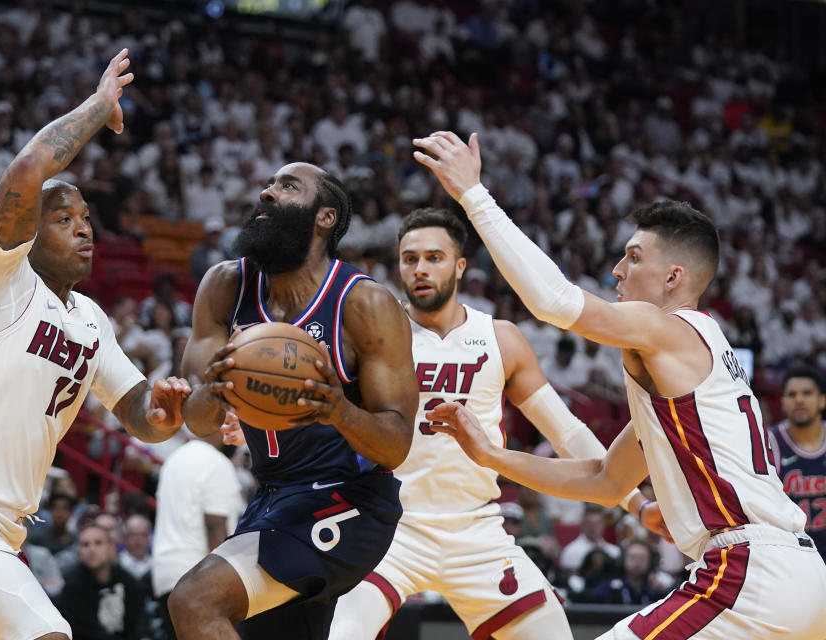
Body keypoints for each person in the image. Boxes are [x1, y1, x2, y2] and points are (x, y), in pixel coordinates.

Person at [412, 131, 826, 638]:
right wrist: (493, 457)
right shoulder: (696, 372)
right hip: (799, 577)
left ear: (673, 277)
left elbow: (554, 302)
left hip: (749, 573)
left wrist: (473, 196)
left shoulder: (667, 328)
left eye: (632, 257)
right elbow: (606, 480)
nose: (616, 269)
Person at [0, 50, 190, 640]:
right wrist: (99, 109)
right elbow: (26, 171)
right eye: (63, 217)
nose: (83, 227)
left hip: (3, 528)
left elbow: (141, 416)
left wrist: (167, 412)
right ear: (27, 229)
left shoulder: (93, 321)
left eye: (86, 218)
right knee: (50, 633)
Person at [329, 207, 662, 640]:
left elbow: (566, 431)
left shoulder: (500, 337)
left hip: (476, 531)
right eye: (410, 259)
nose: (420, 268)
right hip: (391, 524)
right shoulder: (373, 332)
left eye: (434, 257)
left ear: (460, 266)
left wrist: (636, 505)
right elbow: (319, 403)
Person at [170, 161, 419, 639]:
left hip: (349, 499)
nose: (267, 192)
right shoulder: (225, 286)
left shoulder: (364, 303)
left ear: (325, 218)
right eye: (267, 183)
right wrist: (214, 391)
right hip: (271, 499)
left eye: (287, 186)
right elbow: (198, 423)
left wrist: (340, 411)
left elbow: (395, 446)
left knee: (196, 600)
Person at [152, 417, 244, 639]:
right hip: (196, 578)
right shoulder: (216, 463)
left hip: (164, 573)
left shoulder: (175, 458)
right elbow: (215, 527)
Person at [770, 367, 826, 564]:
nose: (800, 399)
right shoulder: (769, 444)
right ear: (783, 403)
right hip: (791, 559)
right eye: (792, 394)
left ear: (822, 400)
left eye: (807, 393)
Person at [55, 524, 145, 640]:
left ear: (111, 548)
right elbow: (88, 634)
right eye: (85, 545)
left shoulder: (127, 580)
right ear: (79, 552)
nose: (92, 549)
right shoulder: (72, 586)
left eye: (98, 543)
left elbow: (138, 620)